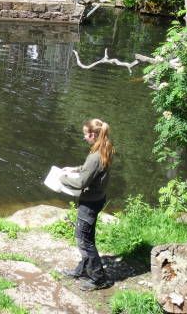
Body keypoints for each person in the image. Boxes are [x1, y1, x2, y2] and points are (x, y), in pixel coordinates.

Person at [59, 119, 115, 291]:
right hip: (97, 199)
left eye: (85, 134)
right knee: (86, 237)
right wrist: (73, 169)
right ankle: (83, 269)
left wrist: (61, 178)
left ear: (93, 134)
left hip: (89, 203)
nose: (84, 137)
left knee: (84, 240)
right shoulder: (105, 147)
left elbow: (82, 182)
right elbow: (88, 170)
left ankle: (99, 279)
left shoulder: (96, 156)